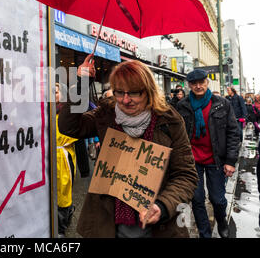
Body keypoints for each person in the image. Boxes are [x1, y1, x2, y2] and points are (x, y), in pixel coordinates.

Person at [58, 55, 198, 238]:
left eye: (133, 92)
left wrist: (162, 206)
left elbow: (186, 175)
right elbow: (70, 126)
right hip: (108, 225)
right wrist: (82, 82)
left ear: (148, 91)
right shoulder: (106, 114)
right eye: (119, 92)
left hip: (156, 227)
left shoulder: (170, 121)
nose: (125, 100)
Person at [176, 69, 239, 238]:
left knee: (218, 199)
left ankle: (222, 222)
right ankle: (205, 234)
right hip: (191, 160)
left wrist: (231, 161)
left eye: (201, 82)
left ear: (207, 82)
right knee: (196, 199)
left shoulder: (222, 103)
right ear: (189, 85)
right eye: (194, 83)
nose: (198, 86)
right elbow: (176, 133)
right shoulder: (182, 106)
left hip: (216, 160)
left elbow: (233, 133)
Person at [55, 82, 77, 237]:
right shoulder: (44, 111)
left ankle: (61, 225)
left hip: (63, 157)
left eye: (55, 92)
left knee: (63, 192)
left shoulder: (67, 113)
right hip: (48, 158)